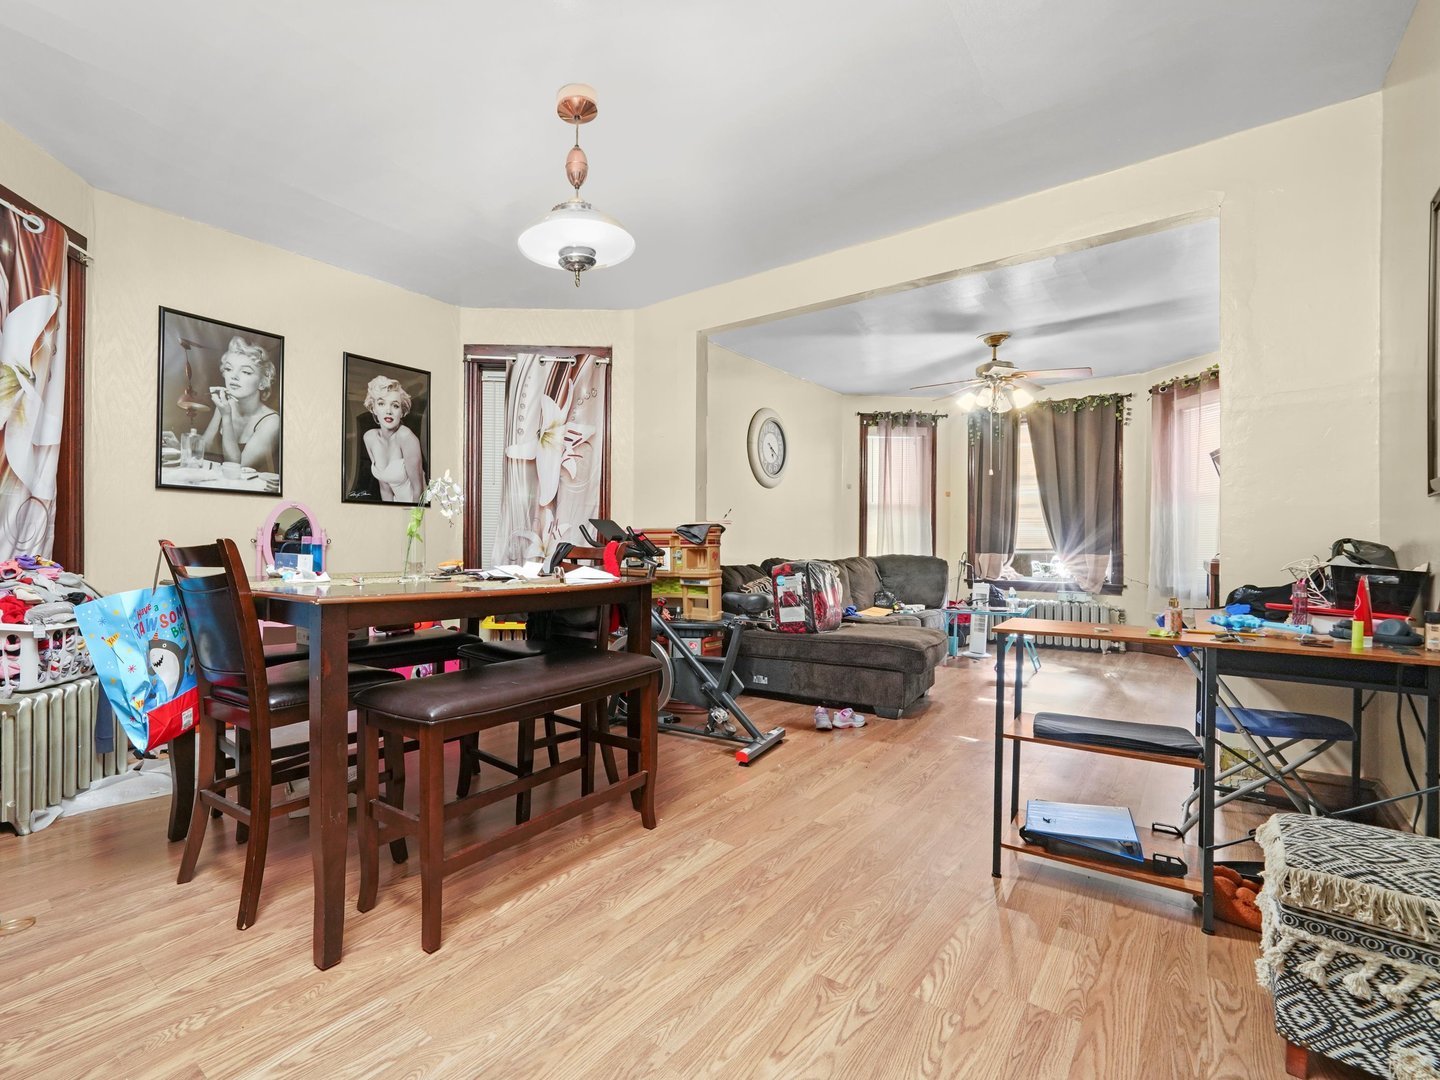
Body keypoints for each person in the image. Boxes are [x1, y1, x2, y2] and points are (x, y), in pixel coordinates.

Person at [200, 336, 279, 472]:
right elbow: (205, 449)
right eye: (229, 369)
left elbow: (236, 468)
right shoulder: (225, 404)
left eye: (246, 371)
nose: (234, 376)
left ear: (263, 382)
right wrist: (181, 446)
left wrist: (226, 416)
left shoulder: (272, 422)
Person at [362, 376, 424, 502]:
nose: (388, 411)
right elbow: (384, 488)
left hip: (417, 508)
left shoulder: (406, 437)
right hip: (396, 506)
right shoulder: (369, 438)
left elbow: (419, 490)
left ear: (401, 412)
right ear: (373, 408)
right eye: (381, 404)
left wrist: (414, 520)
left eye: (395, 406)